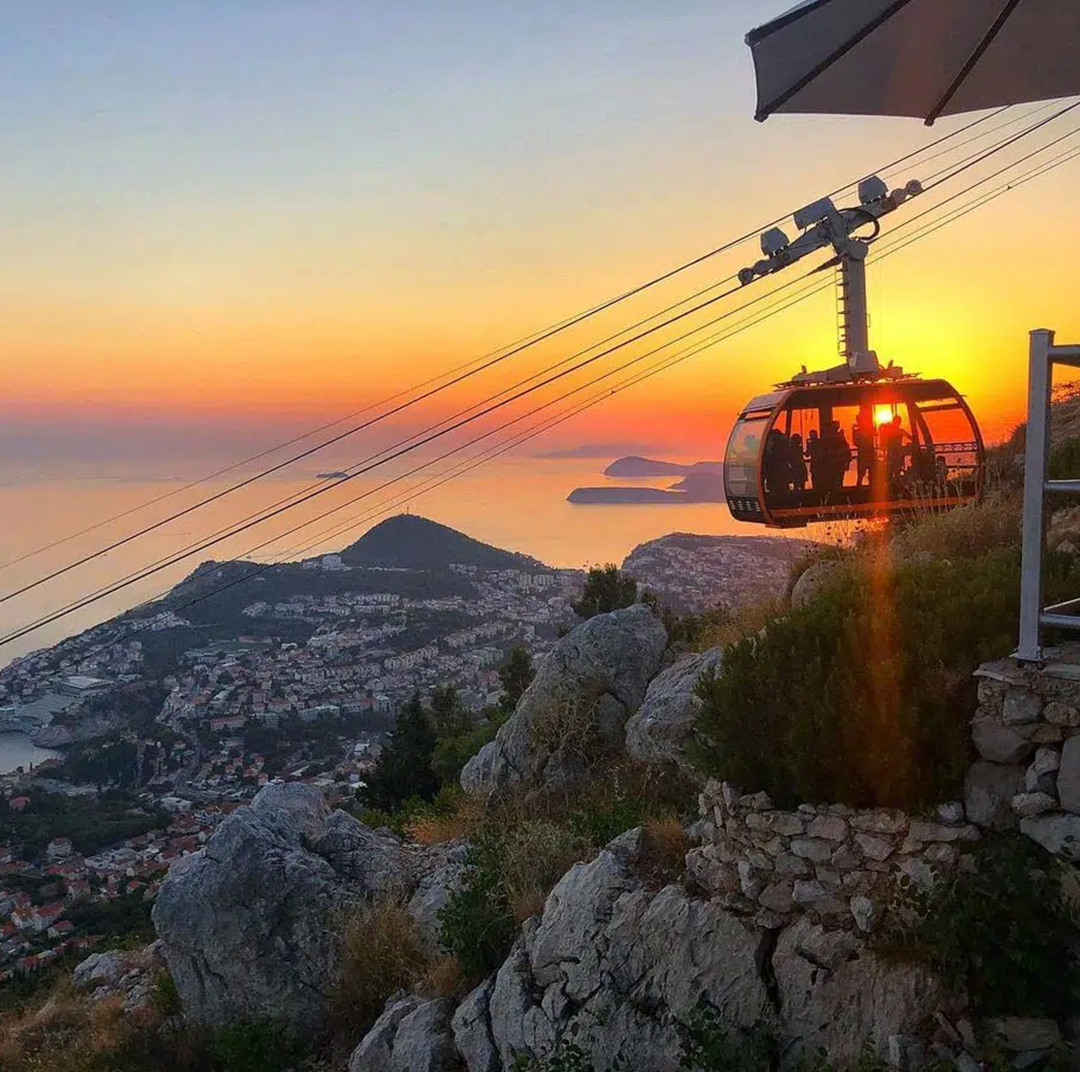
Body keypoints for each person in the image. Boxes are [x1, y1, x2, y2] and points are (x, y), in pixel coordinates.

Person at [853, 410, 875, 487]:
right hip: (863, 454)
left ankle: (868, 488)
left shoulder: (866, 430)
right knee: (861, 475)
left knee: (870, 475)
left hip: (867, 454)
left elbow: (875, 434)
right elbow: (855, 442)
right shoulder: (858, 431)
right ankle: (860, 489)